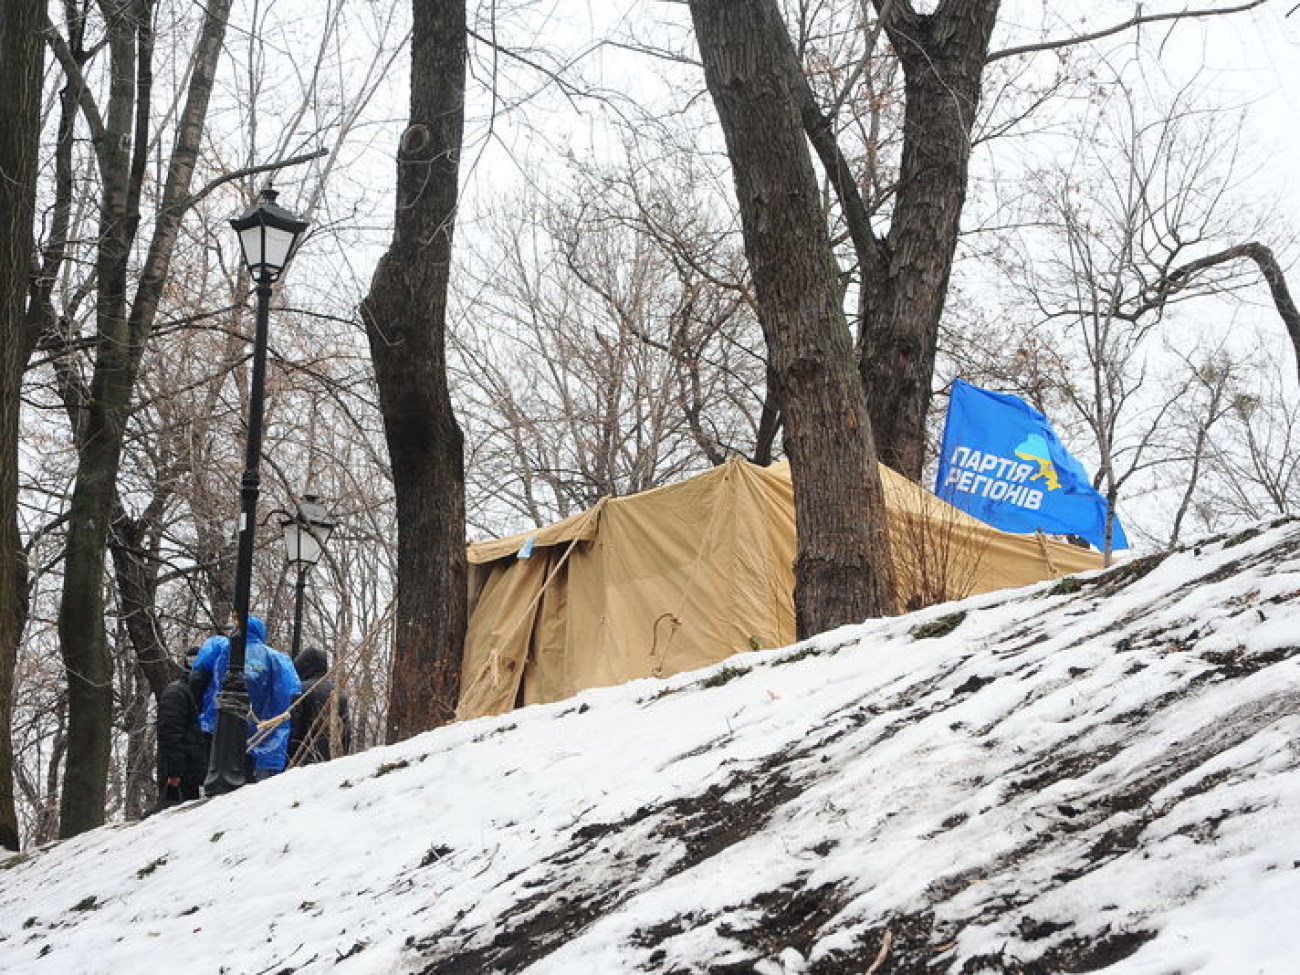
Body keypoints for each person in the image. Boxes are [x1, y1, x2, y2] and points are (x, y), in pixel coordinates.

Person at [190, 614, 301, 782]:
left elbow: (196, 677)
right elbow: (290, 694)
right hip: (264, 736)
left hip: (221, 731)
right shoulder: (278, 659)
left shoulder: (220, 648)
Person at [154, 646, 210, 811]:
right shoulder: (177, 693)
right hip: (181, 775)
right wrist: (174, 773)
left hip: (194, 773)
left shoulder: (198, 693)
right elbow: (170, 735)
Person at [289, 646, 352, 765]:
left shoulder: (300, 690)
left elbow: (294, 728)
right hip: (329, 761)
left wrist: (289, 757)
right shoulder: (339, 694)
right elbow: (345, 733)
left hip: (302, 761)